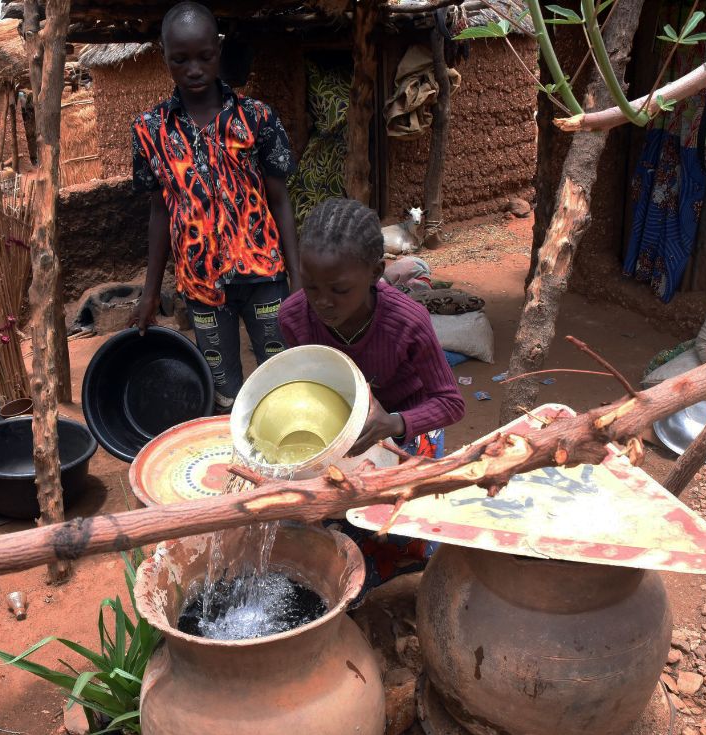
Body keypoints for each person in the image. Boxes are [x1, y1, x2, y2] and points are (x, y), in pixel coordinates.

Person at [279, 197, 465, 594]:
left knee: (401, 527)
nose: (322, 302)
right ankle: (350, 586)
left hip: (408, 422)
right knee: (330, 527)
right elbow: (306, 384)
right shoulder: (294, 317)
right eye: (311, 287)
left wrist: (393, 423)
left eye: (339, 289)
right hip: (341, 427)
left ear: (376, 273)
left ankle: (408, 584)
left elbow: (450, 403)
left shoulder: (407, 322)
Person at [129, 1, 300, 411]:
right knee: (223, 391)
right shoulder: (149, 131)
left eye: (204, 57)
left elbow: (280, 200)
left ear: (218, 51)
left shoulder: (256, 118)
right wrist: (150, 292)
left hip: (264, 276)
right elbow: (159, 212)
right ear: (164, 56)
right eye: (180, 59)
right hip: (200, 284)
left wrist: (298, 277)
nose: (194, 69)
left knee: (282, 379)